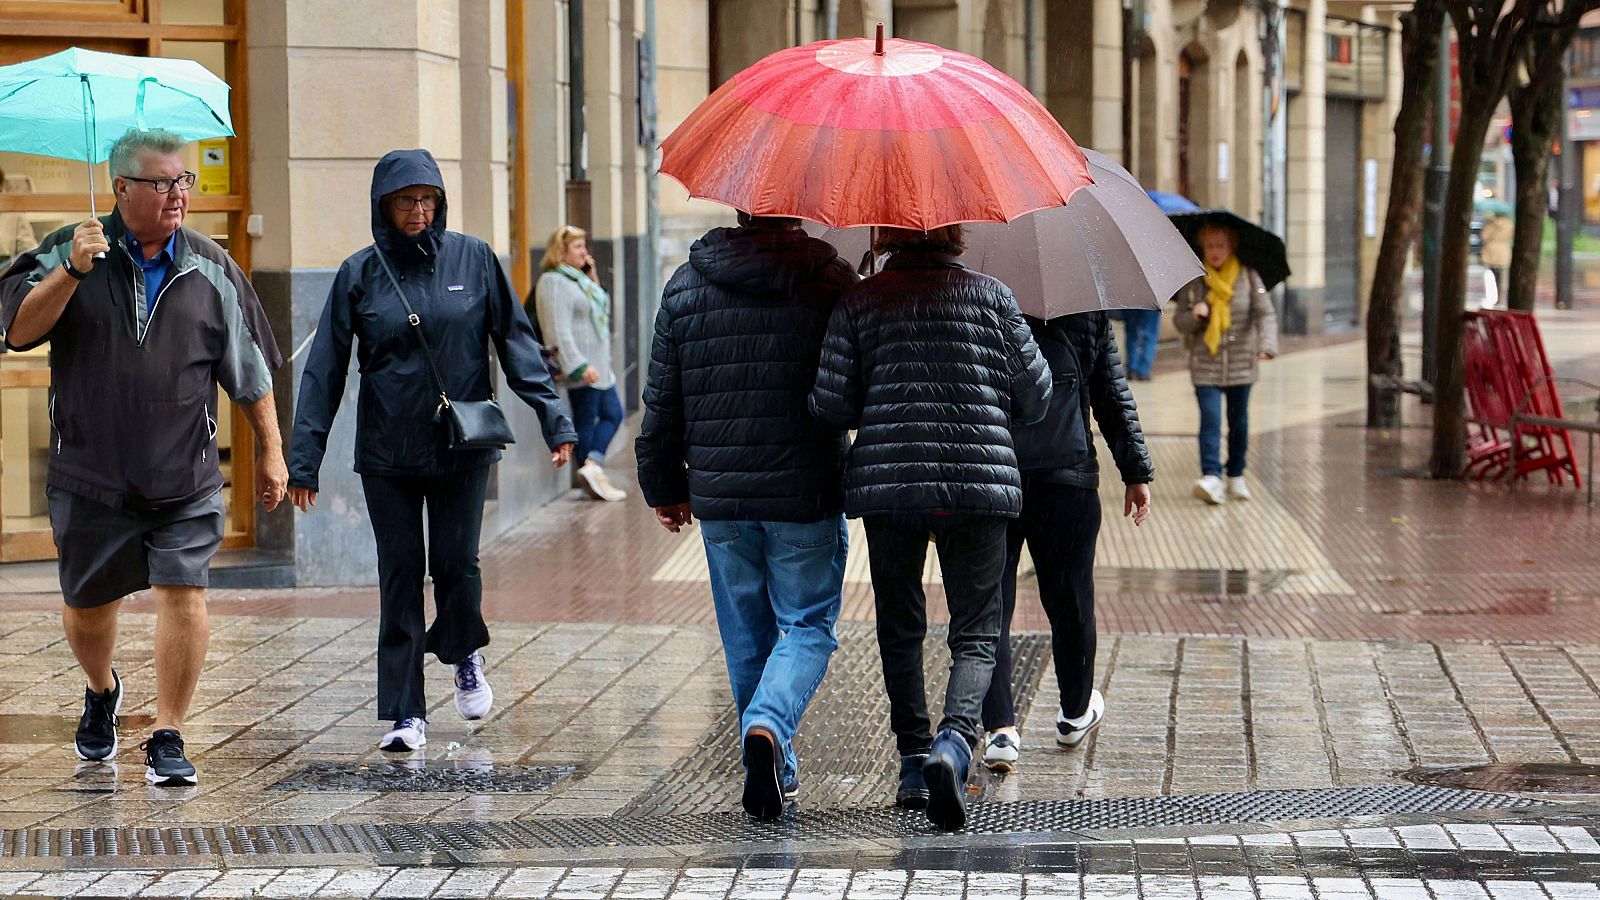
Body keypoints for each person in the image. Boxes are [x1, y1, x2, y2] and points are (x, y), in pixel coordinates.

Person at [0, 129, 286, 786]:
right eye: (162, 183)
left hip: (183, 475)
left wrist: (272, 451)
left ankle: (169, 731)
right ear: (121, 188)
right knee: (88, 607)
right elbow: (17, 331)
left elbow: (249, 370)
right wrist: (72, 270)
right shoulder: (64, 252)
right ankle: (101, 689)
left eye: (183, 181)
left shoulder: (212, 265)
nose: (178, 194)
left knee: (185, 592)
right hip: (90, 476)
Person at [287, 149, 577, 753]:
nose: (418, 211)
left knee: (456, 566)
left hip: (462, 447)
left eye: (427, 200)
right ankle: (404, 711)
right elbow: (324, 372)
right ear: (383, 206)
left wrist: (556, 421)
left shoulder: (474, 260)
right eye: (405, 201)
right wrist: (304, 460)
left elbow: (517, 343)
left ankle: (463, 650)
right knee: (398, 576)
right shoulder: (359, 274)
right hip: (387, 453)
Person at [810, 224, 1052, 831]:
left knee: (899, 624)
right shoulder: (993, 297)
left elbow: (832, 405)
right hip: (977, 483)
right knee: (976, 627)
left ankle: (915, 760)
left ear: (887, 233)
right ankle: (954, 741)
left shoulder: (860, 300)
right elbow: (1037, 395)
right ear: (957, 234)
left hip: (891, 489)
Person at [637, 213, 857, 821]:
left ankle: (773, 765)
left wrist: (663, 484)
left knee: (745, 635)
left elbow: (663, 399)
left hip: (721, 496)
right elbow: (849, 387)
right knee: (808, 624)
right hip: (805, 489)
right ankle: (767, 724)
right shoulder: (830, 279)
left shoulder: (686, 284)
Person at [979, 311, 1154, 773]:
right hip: (1068, 478)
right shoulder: (1086, 309)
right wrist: (1135, 471)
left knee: (990, 601)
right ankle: (1076, 713)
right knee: (1071, 599)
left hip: (995, 476)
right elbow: (1112, 395)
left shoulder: (979, 298)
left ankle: (1000, 730)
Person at [1171, 222, 1278, 505]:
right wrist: (1194, 315)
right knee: (1210, 420)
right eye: (1210, 246)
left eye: (1220, 245)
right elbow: (1179, 323)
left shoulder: (1247, 277)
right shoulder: (1194, 282)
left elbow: (1265, 314)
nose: (1215, 252)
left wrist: (1267, 346)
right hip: (1205, 363)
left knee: (1238, 423)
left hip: (1242, 363)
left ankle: (1236, 474)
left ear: (1231, 247)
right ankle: (1211, 476)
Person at [534, 226, 626, 502]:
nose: (584, 252)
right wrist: (577, 365)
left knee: (613, 413)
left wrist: (592, 276)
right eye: (577, 247)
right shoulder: (553, 282)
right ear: (560, 252)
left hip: (598, 363)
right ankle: (591, 474)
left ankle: (592, 467)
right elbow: (556, 330)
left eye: (584, 245)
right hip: (582, 365)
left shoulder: (578, 280)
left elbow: (599, 306)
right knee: (586, 418)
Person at [1111, 307, 1160, 380]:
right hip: (1151, 303)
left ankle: (1132, 368)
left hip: (1132, 301)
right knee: (1150, 333)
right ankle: (1143, 370)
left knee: (1132, 332)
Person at [1480, 212, 1513, 300]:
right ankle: (1498, 294)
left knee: (1491, 273)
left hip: (1492, 249)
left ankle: (1493, 295)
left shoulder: (1491, 225)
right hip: (1503, 249)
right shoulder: (1509, 224)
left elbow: (1484, 236)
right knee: (1499, 273)